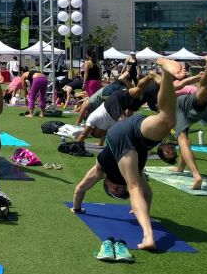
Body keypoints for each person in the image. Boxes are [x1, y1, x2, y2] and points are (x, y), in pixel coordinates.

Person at [71, 58, 182, 250]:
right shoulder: (135, 172)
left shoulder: (100, 170)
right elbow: (148, 194)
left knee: (134, 186)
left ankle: (148, 236)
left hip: (120, 133)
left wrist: (77, 208)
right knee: (167, 120)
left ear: (106, 183)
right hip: (137, 133)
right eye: (121, 193)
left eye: (115, 190)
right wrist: (139, 209)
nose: (119, 189)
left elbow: (80, 189)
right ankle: (165, 73)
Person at [76, 74, 159, 144]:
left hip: (116, 99)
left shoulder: (92, 119)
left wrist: (75, 145)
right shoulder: (104, 129)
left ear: (94, 129)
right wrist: (100, 143)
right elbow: (103, 137)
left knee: (138, 90)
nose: (102, 134)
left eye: (99, 134)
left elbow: (83, 134)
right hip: (123, 106)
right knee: (146, 103)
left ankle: (150, 76)